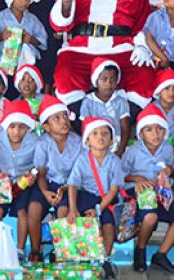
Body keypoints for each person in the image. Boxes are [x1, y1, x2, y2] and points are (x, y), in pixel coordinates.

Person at [51, 0, 156, 111]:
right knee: (65, 74)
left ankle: (121, 126)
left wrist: (141, 45)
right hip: (82, 47)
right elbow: (59, 24)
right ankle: (84, 124)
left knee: (145, 75)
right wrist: (66, 0)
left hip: (121, 47)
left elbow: (143, 23)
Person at [122, 104, 174, 274]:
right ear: (141, 133)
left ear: (165, 132)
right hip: (138, 192)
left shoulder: (168, 149)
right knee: (150, 217)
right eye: (149, 130)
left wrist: (170, 172)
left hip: (162, 191)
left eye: (159, 129)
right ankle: (140, 250)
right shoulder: (133, 151)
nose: (155, 134)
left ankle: (161, 254)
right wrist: (137, 179)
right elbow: (120, 175)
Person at [66, 117, 123, 280]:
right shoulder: (82, 159)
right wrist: (72, 208)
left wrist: (99, 209)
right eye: (95, 133)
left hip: (106, 199)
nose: (101, 137)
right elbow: (73, 185)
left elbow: (114, 189)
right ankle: (81, 260)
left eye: (105, 133)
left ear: (111, 140)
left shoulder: (115, 161)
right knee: (82, 221)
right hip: (86, 196)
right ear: (88, 140)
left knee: (108, 224)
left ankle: (105, 260)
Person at [27, 95, 81, 263]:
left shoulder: (77, 141)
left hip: (70, 185)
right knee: (34, 208)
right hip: (47, 183)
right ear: (47, 127)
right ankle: (36, 250)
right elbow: (41, 173)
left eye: (65, 116)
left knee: (63, 211)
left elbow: (78, 172)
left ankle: (61, 250)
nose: (63, 121)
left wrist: (64, 188)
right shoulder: (43, 143)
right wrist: (45, 192)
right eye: (56, 118)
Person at [0, 100, 38, 261]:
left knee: (22, 212)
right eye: (12, 126)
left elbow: (38, 164)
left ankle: (20, 250)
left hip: (23, 183)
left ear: (28, 128)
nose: (16, 131)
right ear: (6, 126)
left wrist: (33, 175)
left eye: (22, 127)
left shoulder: (34, 142)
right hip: (2, 182)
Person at [79, 58, 131, 155]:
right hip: (95, 147)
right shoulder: (88, 101)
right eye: (104, 79)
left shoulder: (121, 101)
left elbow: (125, 129)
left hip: (116, 146)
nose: (109, 84)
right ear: (96, 81)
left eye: (113, 80)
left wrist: (120, 150)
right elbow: (85, 128)